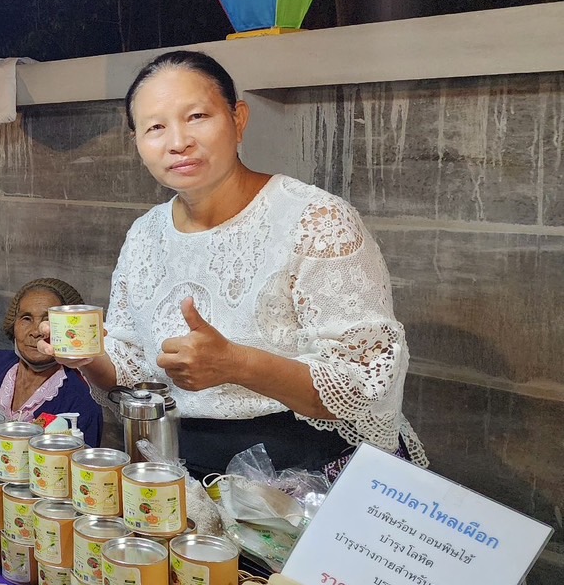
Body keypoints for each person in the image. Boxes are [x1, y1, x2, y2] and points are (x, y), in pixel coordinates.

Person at [48, 50, 425, 479]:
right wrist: (84, 355)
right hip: (185, 468)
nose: (178, 142)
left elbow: (364, 386)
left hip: (307, 472)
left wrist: (236, 364)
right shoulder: (144, 235)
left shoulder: (314, 221)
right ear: (136, 141)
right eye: (155, 127)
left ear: (238, 119)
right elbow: (132, 368)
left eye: (196, 117)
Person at [0, 277, 103, 442]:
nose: (36, 331)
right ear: (13, 323)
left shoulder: (80, 397)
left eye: (48, 320)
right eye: (26, 318)